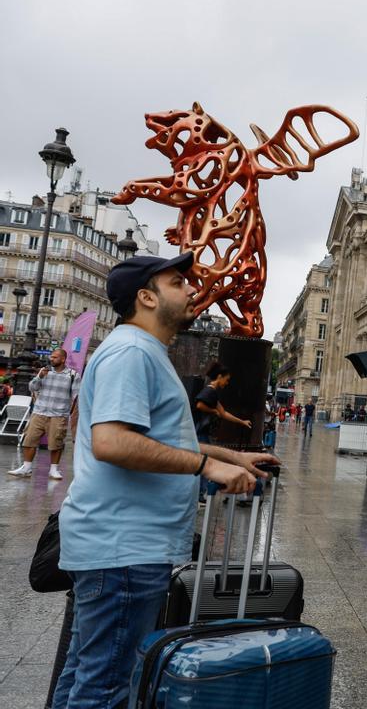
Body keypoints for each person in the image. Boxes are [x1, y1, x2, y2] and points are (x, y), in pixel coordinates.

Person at [51, 252, 278, 709]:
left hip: (122, 547)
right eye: (178, 282)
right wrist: (206, 467)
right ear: (147, 297)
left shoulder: (143, 352)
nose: (193, 289)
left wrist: (229, 454)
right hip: (124, 550)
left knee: (85, 673)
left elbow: (161, 439)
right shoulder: (132, 352)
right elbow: (113, 442)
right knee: (104, 687)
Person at [8, 347, 80, 480]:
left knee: (56, 443)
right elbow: (32, 387)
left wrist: (70, 414)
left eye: (54, 357)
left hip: (59, 415)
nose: (51, 359)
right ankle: (26, 468)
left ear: (63, 359)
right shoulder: (43, 371)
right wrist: (39, 377)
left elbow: (76, 396)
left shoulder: (72, 375)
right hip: (39, 412)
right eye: (51, 357)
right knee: (29, 439)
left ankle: (54, 470)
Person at [192, 362, 253, 443]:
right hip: (200, 433)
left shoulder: (212, 392)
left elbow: (223, 413)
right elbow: (199, 405)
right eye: (226, 380)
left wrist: (242, 422)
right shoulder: (210, 390)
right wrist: (214, 411)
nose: (227, 383)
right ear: (220, 377)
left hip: (203, 433)